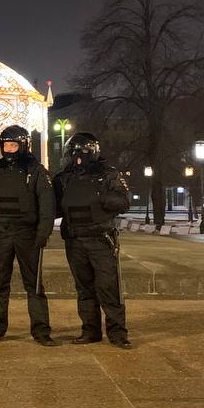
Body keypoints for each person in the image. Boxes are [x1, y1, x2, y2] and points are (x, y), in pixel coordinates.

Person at [0, 125, 56, 345]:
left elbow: (47, 205)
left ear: (24, 145)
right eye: (6, 145)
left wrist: (44, 232)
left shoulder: (35, 170)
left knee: (34, 284)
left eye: (13, 145)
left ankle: (41, 331)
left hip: (27, 234)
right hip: (2, 233)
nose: (9, 150)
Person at [53, 132, 132, 349]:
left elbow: (123, 201)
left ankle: (117, 333)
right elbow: (54, 207)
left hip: (101, 239)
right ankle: (90, 330)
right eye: (74, 153)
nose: (78, 157)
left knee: (109, 287)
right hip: (75, 240)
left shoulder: (108, 174)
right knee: (84, 289)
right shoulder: (64, 178)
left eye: (82, 152)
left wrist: (98, 198)